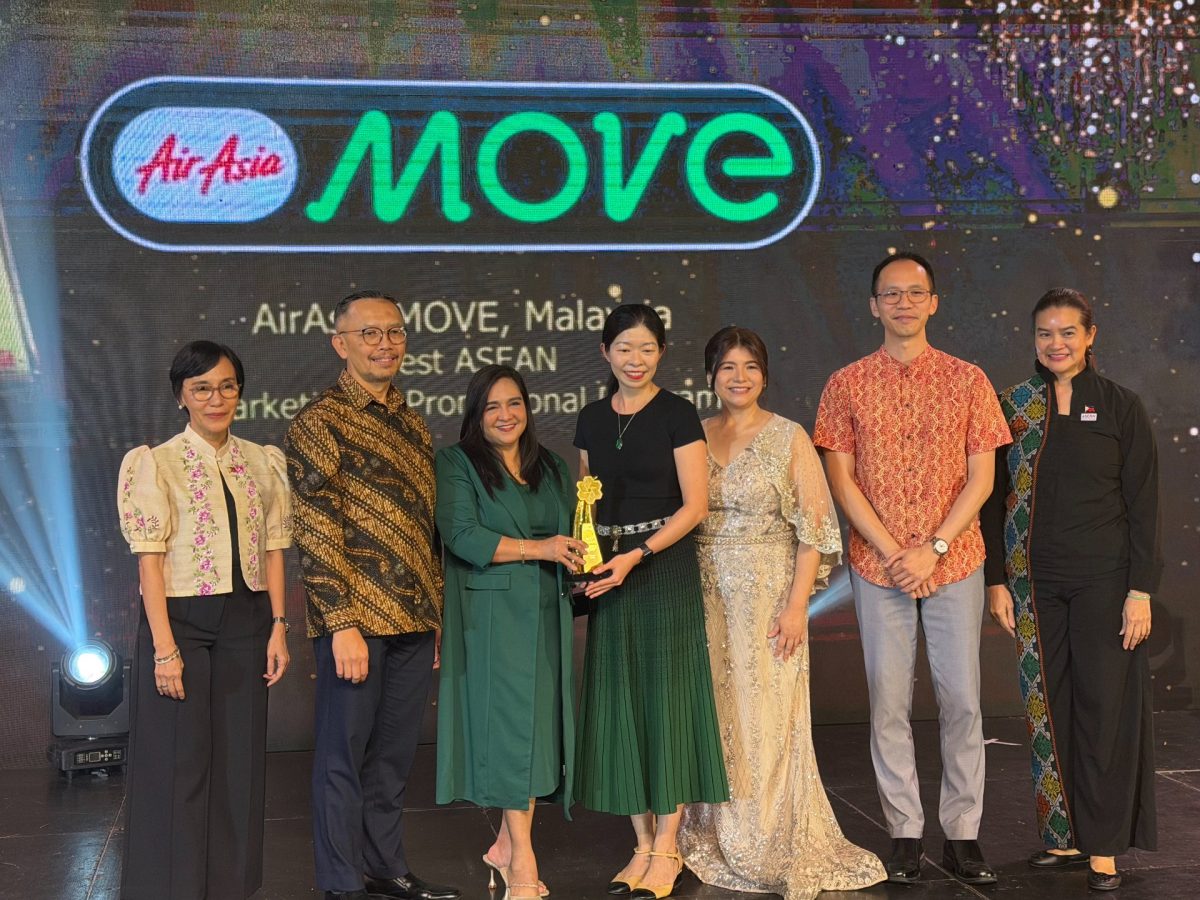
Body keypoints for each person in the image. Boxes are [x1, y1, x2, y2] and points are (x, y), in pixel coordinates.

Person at [812, 251, 1011, 885]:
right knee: (888, 703)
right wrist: (894, 552)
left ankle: (963, 835)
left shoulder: (968, 379)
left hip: (956, 562)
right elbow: (841, 481)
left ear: (934, 302)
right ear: (874, 305)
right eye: (891, 294)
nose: (903, 303)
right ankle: (904, 832)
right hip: (879, 569)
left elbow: (983, 478)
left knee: (963, 702)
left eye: (915, 293)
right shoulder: (845, 384)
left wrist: (936, 548)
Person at [677, 327, 886, 899]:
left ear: (765, 376)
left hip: (769, 598)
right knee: (714, 711)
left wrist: (797, 607)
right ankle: (714, 829)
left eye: (750, 366)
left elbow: (814, 530)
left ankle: (767, 836)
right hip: (704, 593)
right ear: (710, 376)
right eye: (727, 367)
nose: (738, 377)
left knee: (765, 715)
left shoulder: (789, 436)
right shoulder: (694, 435)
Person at [982, 289, 1160, 892]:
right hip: (1032, 582)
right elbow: (991, 499)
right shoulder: (1013, 406)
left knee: (1103, 707)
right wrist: (997, 580)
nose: (1055, 344)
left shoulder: (1119, 406)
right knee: (1046, 707)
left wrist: (1140, 590)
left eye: (1067, 332)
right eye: (1044, 333)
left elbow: (1143, 503)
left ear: (1090, 336)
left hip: (1105, 582)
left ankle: (1104, 844)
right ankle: (1064, 835)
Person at [285, 291, 459, 900]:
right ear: (341, 344)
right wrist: (341, 624)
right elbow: (315, 529)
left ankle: (385, 867)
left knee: (392, 757)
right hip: (356, 624)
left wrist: (435, 613)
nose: (385, 344)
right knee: (342, 757)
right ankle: (341, 883)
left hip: (414, 618)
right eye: (370, 334)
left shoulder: (413, 421)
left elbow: (425, 525)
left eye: (395, 332)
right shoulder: (318, 421)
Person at [117, 340, 291, 899]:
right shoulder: (155, 462)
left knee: (240, 766)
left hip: (247, 618)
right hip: (181, 623)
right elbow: (149, 562)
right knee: (179, 766)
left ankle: (231, 889)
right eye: (202, 388)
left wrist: (279, 625)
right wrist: (164, 649)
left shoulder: (262, 460)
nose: (216, 399)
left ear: (239, 392)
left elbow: (274, 550)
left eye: (227, 386)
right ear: (181, 397)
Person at [572, 303, 728, 900]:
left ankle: (668, 846)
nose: (634, 360)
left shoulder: (677, 413)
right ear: (605, 352)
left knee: (666, 703)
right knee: (621, 702)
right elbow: (587, 503)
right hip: (609, 574)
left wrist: (638, 554)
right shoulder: (590, 418)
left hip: (661, 570)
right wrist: (588, 561)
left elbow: (696, 506)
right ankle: (640, 845)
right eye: (623, 348)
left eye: (646, 349)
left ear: (660, 353)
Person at [434, 365, 585, 900]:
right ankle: (522, 859)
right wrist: (541, 548)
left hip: (547, 612)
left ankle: (502, 845)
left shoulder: (552, 466)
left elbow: (574, 532)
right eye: (492, 406)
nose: (505, 415)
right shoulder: (456, 463)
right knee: (511, 734)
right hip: (491, 618)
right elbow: (461, 535)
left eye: (514, 403)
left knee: (537, 734)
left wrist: (584, 561)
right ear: (476, 414)